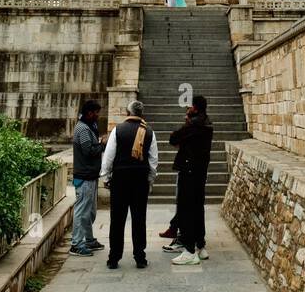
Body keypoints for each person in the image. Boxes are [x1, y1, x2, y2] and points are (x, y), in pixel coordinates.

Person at [101, 99, 158, 269]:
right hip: (140, 180)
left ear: (128, 113)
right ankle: (140, 257)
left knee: (117, 219)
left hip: (120, 179)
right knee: (139, 218)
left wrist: (106, 177)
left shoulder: (118, 130)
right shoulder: (149, 132)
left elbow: (109, 156)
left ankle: (114, 257)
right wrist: (150, 179)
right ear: (142, 114)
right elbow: (153, 160)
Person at [169, 95, 214, 266]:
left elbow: (173, 139)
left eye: (190, 106)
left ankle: (189, 250)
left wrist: (187, 121)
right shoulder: (207, 123)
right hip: (201, 171)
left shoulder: (194, 124)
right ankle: (201, 246)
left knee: (186, 208)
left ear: (194, 107)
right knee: (197, 207)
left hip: (188, 170)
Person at [70, 100, 105, 256]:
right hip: (84, 175)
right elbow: (88, 151)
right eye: (96, 112)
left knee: (89, 211)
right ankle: (76, 244)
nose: (98, 115)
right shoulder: (83, 129)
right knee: (82, 210)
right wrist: (102, 144)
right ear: (90, 113)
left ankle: (89, 240)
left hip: (90, 174)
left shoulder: (89, 126)